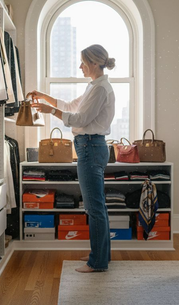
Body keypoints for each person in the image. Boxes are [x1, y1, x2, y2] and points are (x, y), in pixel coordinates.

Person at [29, 44, 116, 273]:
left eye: (83, 62)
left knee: (94, 207)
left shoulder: (99, 89)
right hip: (89, 147)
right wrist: (44, 97)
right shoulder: (94, 87)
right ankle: (101, 255)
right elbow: (69, 107)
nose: (80, 66)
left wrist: (50, 112)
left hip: (90, 147)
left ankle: (97, 262)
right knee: (98, 206)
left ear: (95, 63)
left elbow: (80, 119)